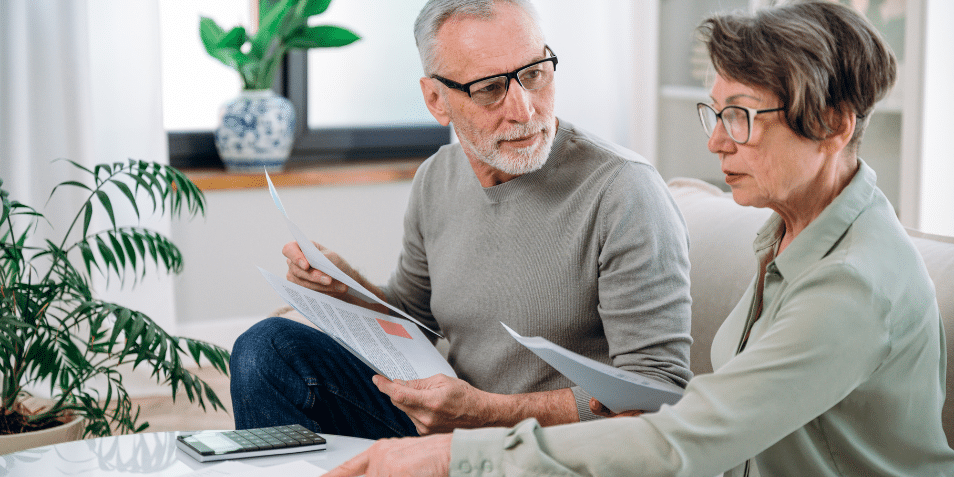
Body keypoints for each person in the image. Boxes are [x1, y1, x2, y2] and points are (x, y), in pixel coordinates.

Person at [323, 1, 954, 475]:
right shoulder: (790, 236)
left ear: (833, 125)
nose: (715, 141)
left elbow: (682, 436)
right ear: (437, 99)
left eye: (742, 116)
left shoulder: (853, 285)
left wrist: (456, 455)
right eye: (716, 112)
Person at [228, 0, 693, 441]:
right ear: (435, 99)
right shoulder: (437, 177)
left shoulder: (623, 191)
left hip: (548, 446)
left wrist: (486, 413)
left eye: (534, 74)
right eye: (489, 88)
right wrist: (342, 285)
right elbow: (413, 317)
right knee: (265, 349)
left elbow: (654, 392)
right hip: (450, 422)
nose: (524, 109)